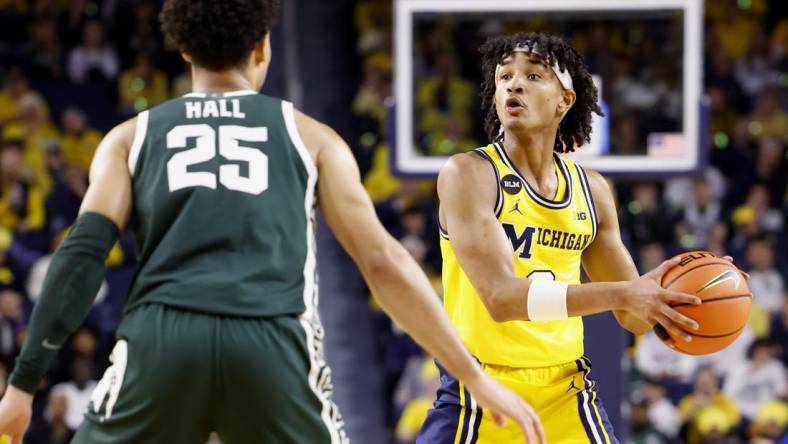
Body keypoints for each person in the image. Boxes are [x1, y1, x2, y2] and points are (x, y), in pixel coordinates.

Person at [0, 2, 544, 444]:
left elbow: (79, 258)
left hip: (160, 340)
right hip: (271, 339)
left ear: (184, 50)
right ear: (262, 49)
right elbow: (382, 262)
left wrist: (22, 386)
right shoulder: (312, 136)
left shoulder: (129, 137)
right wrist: (471, 376)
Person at [417, 32, 713, 443]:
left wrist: (680, 297)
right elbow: (501, 299)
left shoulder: (592, 190)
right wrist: (624, 294)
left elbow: (633, 317)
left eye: (534, 76)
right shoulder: (469, 173)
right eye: (504, 77)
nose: (514, 85)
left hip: (566, 390)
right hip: (480, 390)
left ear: (565, 100)